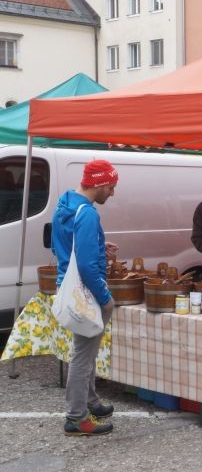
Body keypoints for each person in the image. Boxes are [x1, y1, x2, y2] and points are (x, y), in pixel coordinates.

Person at [52, 160, 119, 436]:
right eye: (112, 187)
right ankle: (76, 417)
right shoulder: (88, 214)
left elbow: (65, 246)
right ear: (100, 183)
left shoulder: (65, 205)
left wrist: (100, 244)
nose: (112, 193)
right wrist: (105, 298)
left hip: (68, 287)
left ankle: (90, 401)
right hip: (87, 293)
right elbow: (88, 266)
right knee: (83, 355)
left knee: (86, 352)